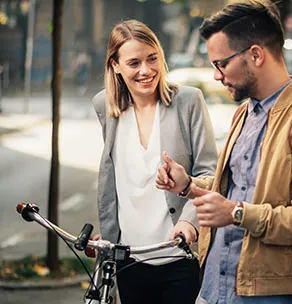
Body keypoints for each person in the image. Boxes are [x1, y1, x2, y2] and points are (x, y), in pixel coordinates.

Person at [156, 1, 292, 303]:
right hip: (214, 285)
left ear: (256, 55)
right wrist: (188, 185)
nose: (217, 76)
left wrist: (236, 214)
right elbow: (237, 190)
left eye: (221, 64)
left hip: (268, 295)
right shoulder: (244, 114)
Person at [92, 19, 218, 304]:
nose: (146, 70)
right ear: (115, 65)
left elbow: (210, 171)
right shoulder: (105, 107)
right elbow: (117, 180)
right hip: (128, 259)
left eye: (152, 59)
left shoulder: (188, 102)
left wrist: (190, 223)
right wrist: (109, 234)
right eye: (134, 63)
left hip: (179, 255)